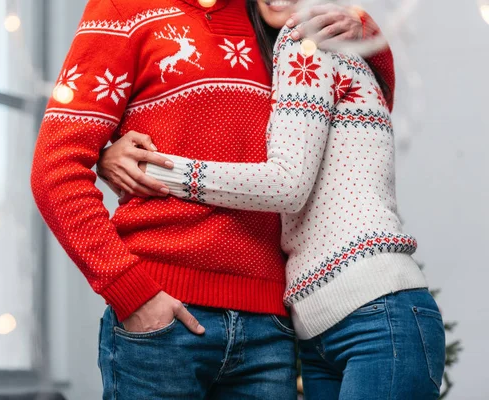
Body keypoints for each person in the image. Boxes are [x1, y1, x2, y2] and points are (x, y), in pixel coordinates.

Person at [31, 0, 396, 398]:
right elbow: (56, 167)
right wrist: (133, 292)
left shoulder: (273, 17)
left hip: (270, 329)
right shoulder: (123, 8)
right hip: (162, 319)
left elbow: (353, 119)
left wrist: (366, 34)